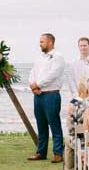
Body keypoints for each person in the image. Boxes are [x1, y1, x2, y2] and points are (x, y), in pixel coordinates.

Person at [27, 32, 67, 163]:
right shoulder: (39, 57)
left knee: (54, 124)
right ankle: (41, 152)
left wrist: (38, 84)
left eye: (42, 42)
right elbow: (33, 72)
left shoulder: (58, 57)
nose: (40, 44)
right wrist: (32, 85)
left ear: (50, 42)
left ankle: (58, 153)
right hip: (38, 95)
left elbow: (53, 74)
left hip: (51, 94)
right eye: (40, 42)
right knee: (41, 125)